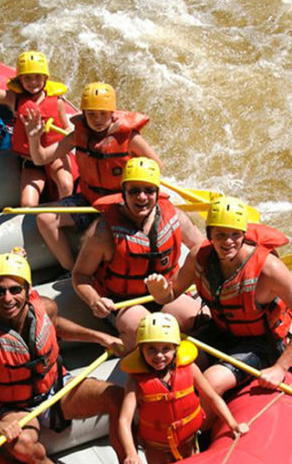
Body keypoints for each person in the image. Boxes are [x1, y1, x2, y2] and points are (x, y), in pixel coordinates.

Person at [0, 252, 125, 464]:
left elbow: (56, 326)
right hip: (15, 408)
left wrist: (100, 337)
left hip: (55, 388)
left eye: (15, 290)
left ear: (27, 290)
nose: (7, 298)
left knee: (117, 397)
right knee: (21, 446)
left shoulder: (45, 308)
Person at [146, 195, 292, 421]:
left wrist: (281, 367)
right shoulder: (199, 257)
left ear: (244, 235)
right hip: (221, 331)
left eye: (235, 234)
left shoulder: (269, 269)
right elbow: (171, 294)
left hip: (263, 342)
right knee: (175, 364)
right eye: (220, 235)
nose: (228, 242)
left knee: (212, 381)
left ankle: (204, 432)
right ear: (210, 235)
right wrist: (160, 293)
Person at [23, 82, 163, 272]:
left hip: (121, 205)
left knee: (95, 235)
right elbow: (41, 158)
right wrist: (33, 138)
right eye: (91, 114)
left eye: (103, 113)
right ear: (83, 113)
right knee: (44, 218)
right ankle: (72, 270)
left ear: (112, 112)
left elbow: (157, 167)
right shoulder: (77, 136)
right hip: (88, 201)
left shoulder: (130, 138)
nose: (97, 119)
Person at [72, 157, 204, 353]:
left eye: (149, 191)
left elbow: (202, 251)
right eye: (134, 191)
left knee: (198, 319)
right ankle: (128, 343)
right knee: (147, 335)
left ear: (157, 193)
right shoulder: (102, 232)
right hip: (123, 302)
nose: (142, 197)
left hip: (166, 293)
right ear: (124, 193)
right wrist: (95, 300)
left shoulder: (176, 217)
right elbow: (80, 275)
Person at [119, 312, 249, 464]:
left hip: (188, 440)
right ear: (141, 351)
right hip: (156, 447)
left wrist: (233, 425)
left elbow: (213, 398)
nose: (159, 355)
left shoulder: (190, 369)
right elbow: (124, 420)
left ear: (175, 349)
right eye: (151, 349)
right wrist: (131, 453)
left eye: (166, 348)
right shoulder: (135, 380)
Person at [0, 45, 73, 206]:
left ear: (45, 78)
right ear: (20, 79)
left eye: (37, 77)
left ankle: (64, 220)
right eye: (27, 78)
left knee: (66, 185)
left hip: (54, 155)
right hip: (30, 160)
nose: (33, 82)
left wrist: (71, 140)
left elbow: (66, 127)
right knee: (28, 203)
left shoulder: (58, 102)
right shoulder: (14, 99)